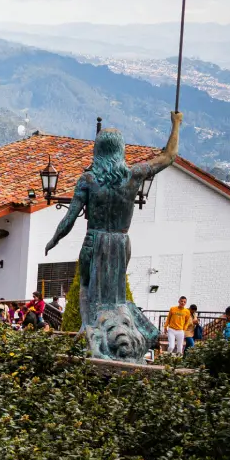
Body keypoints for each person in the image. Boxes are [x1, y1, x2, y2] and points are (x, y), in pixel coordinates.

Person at [45, 112, 181, 361]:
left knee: (87, 288)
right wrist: (176, 124)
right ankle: (114, 331)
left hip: (93, 240)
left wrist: (54, 239)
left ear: (97, 151)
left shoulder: (88, 179)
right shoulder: (133, 175)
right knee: (115, 295)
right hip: (120, 243)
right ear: (120, 151)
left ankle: (89, 329)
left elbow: (69, 218)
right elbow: (169, 157)